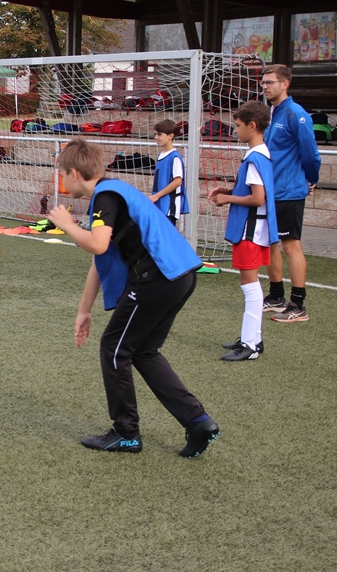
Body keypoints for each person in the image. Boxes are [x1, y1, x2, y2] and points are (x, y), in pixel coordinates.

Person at [47, 138, 219, 457]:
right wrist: (84, 311)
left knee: (114, 348)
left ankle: (126, 433)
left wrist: (68, 225)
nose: (62, 181)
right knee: (144, 352)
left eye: (62, 174)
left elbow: (97, 244)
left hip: (158, 277)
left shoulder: (106, 195)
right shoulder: (115, 193)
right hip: (180, 275)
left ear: (73, 172)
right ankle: (198, 422)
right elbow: (101, 260)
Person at [209, 102, 277, 362]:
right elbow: (253, 192)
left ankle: (250, 344)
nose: (235, 130)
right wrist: (229, 192)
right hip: (255, 227)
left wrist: (228, 200)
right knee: (250, 283)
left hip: (250, 228)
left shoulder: (254, 158)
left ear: (252, 126)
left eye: (237, 126)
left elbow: (257, 198)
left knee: (249, 285)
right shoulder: (260, 155)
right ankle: (252, 338)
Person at [260, 64, 320, 323]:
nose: (265, 86)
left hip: (289, 191)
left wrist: (311, 179)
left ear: (285, 84)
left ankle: (298, 305)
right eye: (263, 82)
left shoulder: (297, 114)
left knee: (290, 245)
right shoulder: (272, 112)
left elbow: (311, 154)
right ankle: (276, 297)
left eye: (270, 82)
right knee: (271, 243)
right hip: (271, 191)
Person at [148, 119, 189, 227]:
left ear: (170, 136)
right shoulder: (161, 155)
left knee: (167, 238)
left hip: (168, 205)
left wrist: (157, 196)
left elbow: (177, 181)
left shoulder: (174, 157)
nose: (156, 137)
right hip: (159, 203)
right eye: (155, 134)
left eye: (159, 134)